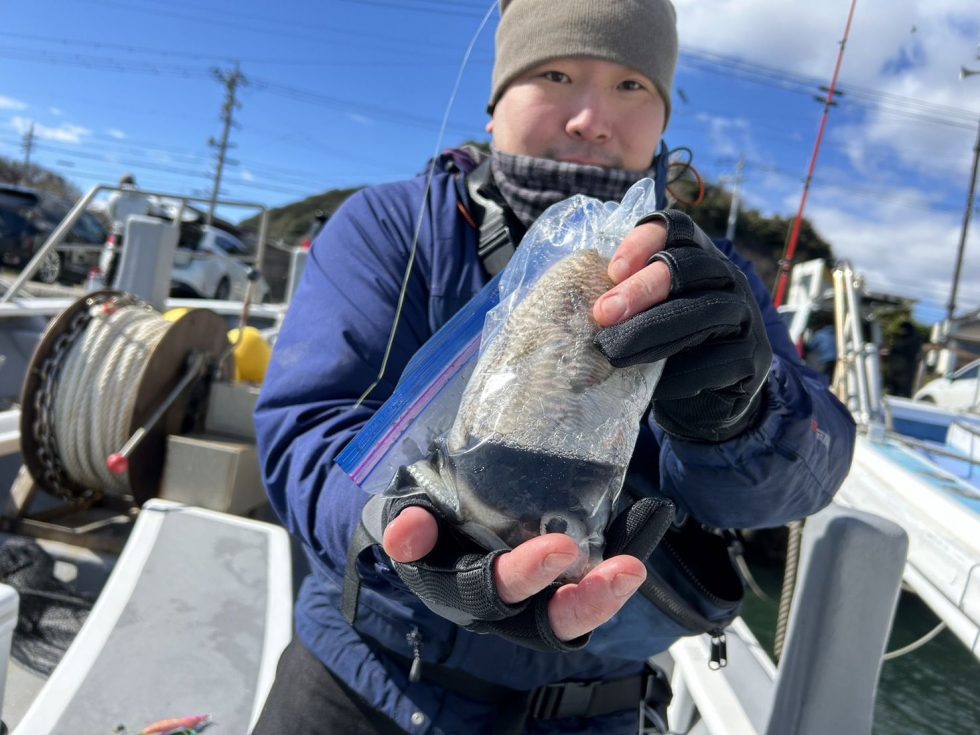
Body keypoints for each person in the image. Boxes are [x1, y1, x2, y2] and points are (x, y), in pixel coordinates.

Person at [253, 2, 857, 733]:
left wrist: (742, 414)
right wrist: (399, 531)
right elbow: (307, 428)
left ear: (664, 118)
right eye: (556, 75)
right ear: (495, 104)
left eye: (632, 85)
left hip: (597, 701)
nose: (591, 120)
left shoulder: (709, 272)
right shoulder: (393, 225)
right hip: (364, 674)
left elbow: (809, 472)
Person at [101, 173, 154, 281]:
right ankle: (127, 284)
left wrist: (115, 222)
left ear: (121, 183)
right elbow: (152, 209)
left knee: (116, 259)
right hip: (137, 233)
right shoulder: (143, 196)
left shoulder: (117, 194)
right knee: (132, 260)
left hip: (120, 231)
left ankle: (109, 283)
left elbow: (109, 211)